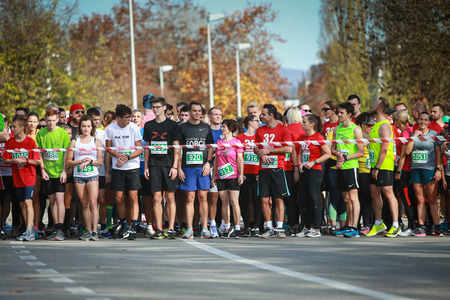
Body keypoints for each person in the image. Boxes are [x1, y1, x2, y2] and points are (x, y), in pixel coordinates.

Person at [175, 101, 214, 239]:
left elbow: (210, 147)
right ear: (190, 112)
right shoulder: (182, 128)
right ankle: (190, 228)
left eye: (199, 111)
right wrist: (179, 168)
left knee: (203, 197)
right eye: (195, 111)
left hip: (202, 167)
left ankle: (204, 228)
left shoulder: (206, 127)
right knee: (189, 198)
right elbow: (177, 150)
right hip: (188, 168)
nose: (197, 113)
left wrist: (208, 163)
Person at [143, 96, 180, 239]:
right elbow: (147, 148)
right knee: (156, 198)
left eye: (158, 107)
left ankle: (170, 229)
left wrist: (175, 166)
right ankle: (159, 228)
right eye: (153, 107)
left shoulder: (173, 125)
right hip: (154, 165)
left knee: (170, 197)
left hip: (169, 164)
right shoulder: (149, 125)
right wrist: (146, 166)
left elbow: (177, 148)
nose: (155, 109)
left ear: (164, 107)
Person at [105, 104, 143, 240]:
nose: (130, 120)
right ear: (119, 118)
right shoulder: (110, 129)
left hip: (132, 167)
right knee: (119, 198)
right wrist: (117, 155)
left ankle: (133, 226)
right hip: (118, 168)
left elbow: (140, 149)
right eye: (127, 117)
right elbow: (108, 148)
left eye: (131, 117)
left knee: (133, 197)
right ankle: (122, 224)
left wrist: (127, 157)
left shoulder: (133, 128)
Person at [254, 104, 292, 239]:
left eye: (263, 114)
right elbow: (255, 148)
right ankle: (269, 227)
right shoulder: (260, 130)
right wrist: (261, 153)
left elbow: (289, 149)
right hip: (263, 169)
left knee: (278, 198)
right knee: (264, 199)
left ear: (271, 115)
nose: (261, 116)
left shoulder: (283, 129)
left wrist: (270, 150)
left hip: (278, 168)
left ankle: (280, 227)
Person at [366, 97, 400, 237]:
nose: (372, 105)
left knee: (388, 192)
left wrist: (377, 168)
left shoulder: (385, 125)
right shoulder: (376, 124)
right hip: (374, 164)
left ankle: (396, 224)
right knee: (374, 192)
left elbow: (384, 149)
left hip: (384, 165)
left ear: (379, 108)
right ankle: (379, 223)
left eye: (375, 103)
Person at [3, 116, 41, 241]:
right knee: (21, 204)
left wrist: (26, 160)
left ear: (21, 128)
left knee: (28, 201)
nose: (12, 129)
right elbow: (5, 159)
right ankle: (26, 229)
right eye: (11, 126)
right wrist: (14, 160)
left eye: (14, 127)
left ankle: (30, 231)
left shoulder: (30, 142)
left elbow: (37, 161)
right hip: (17, 177)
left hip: (29, 176)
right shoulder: (10, 142)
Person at [406, 112, 444, 237]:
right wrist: (414, 136)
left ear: (429, 122)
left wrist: (438, 169)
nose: (423, 122)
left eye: (425, 120)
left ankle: (437, 227)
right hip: (416, 169)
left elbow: (438, 153)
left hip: (429, 169)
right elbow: (407, 151)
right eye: (421, 119)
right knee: (420, 200)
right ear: (418, 121)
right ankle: (421, 226)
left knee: (432, 200)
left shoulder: (434, 134)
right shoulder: (414, 134)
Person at [66, 115, 103, 241]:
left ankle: (95, 231)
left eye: (88, 126)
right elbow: (69, 162)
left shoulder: (96, 141)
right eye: (83, 126)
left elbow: (100, 162)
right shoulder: (75, 142)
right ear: (80, 127)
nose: (86, 129)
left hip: (92, 175)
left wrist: (90, 161)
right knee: (84, 204)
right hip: (79, 176)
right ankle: (88, 230)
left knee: (93, 202)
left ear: (92, 127)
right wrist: (80, 161)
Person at [36, 109, 70, 241]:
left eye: (53, 120)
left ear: (57, 120)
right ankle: (56, 228)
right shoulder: (42, 134)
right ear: (45, 120)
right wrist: (43, 170)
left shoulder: (62, 133)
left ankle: (61, 229)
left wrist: (64, 171)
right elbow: (39, 154)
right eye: (48, 120)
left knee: (60, 199)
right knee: (52, 201)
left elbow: (66, 152)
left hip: (59, 171)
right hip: (48, 172)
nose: (50, 123)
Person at [331, 102, 364, 238]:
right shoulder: (336, 130)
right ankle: (347, 226)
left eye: (341, 113)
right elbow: (332, 148)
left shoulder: (355, 129)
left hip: (351, 167)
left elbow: (361, 152)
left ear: (349, 114)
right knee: (345, 198)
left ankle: (354, 227)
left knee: (353, 197)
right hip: (340, 168)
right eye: (338, 112)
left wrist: (346, 157)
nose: (338, 115)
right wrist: (337, 154)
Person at [297, 114, 331, 237]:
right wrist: (300, 164)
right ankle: (307, 227)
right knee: (304, 198)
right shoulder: (302, 137)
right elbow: (300, 152)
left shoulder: (318, 136)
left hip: (315, 170)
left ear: (311, 124)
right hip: (304, 170)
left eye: (304, 122)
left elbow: (328, 153)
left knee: (314, 197)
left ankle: (316, 229)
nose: (302, 124)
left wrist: (314, 162)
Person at [211, 119, 244, 238]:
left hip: (233, 175)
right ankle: (227, 226)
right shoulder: (218, 142)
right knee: (224, 202)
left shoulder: (237, 142)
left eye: (224, 126)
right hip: (221, 175)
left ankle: (237, 228)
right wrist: (214, 176)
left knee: (234, 202)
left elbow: (240, 159)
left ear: (230, 129)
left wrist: (241, 174)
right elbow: (215, 160)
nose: (221, 128)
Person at [86, 107, 111, 239]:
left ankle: (104, 226)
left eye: (98, 120)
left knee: (101, 200)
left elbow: (107, 154)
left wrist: (107, 171)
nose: (96, 122)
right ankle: (88, 227)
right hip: (86, 173)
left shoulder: (103, 134)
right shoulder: (82, 134)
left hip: (100, 172)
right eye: (94, 120)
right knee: (89, 201)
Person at [236, 115, 262, 236]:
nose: (259, 123)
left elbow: (263, 154)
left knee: (257, 200)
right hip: (244, 173)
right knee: (244, 200)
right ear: (250, 123)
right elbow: (237, 157)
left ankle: (256, 226)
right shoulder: (240, 138)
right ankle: (247, 225)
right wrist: (240, 173)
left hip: (257, 172)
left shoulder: (260, 137)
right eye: (257, 121)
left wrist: (260, 172)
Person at [393, 110, 417, 236]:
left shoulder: (405, 132)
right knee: (404, 197)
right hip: (404, 168)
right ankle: (411, 225)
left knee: (406, 198)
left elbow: (403, 154)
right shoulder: (404, 131)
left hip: (405, 169)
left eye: (394, 120)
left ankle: (411, 226)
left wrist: (399, 171)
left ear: (399, 121)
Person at [132, 108, 154, 238]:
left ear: (142, 119)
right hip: (131, 170)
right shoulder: (128, 132)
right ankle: (131, 226)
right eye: (133, 116)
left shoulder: (146, 132)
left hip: (144, 171)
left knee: (147, 199)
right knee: (132, 199)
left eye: (138, 116)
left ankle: (150, 226)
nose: (135, 118)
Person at [284, 107, 303, 235]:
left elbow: (290, 151)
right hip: (305, 166)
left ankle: (293, 223)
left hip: (289, 166)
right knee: (302, 198)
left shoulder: (287, 130)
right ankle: (306, 224)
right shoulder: (305, 130)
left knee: (290, 198)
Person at [354, 113, 375, 235]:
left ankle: (368, 223)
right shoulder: (357, 136)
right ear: (361, 125)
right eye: (368, 125)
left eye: (373, 125)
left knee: (368, 198)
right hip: (359, 169)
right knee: (359, 197)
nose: (371, 127)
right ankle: (356, 224)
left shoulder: (376, 136)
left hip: (370, 169)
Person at [207, 106, 222, 237]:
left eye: (220, 115)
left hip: (222, 169)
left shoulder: (225, 131)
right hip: (208, 167)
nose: (218, 117)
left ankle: (221, 224)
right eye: (215, 115)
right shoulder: (206, 131)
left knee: (220, 198)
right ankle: (208, 223)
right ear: (210, 117)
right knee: (205, 198)